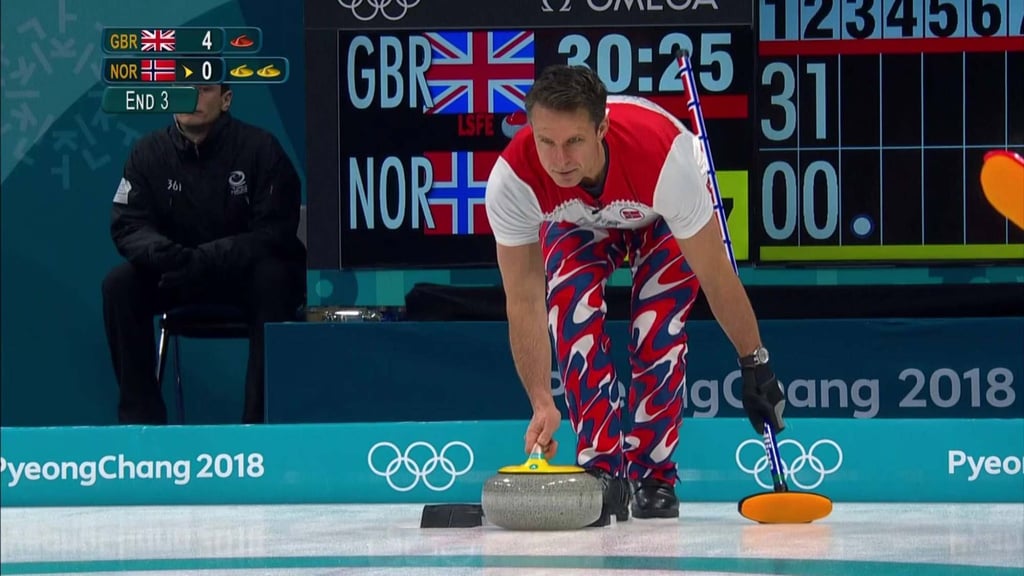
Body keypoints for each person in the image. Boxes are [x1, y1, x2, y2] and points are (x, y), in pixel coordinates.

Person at [485, 65, 786, 525]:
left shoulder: (667, 158)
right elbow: (524, 300)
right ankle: (602, 471)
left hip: (659, 220)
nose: (559, 158)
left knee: (656, 330)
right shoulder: (513, 181)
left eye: (574, 142)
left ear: (601, 129)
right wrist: (540, 402)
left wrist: (754, 361)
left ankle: (654, 475)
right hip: (577, 222)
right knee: (569, 310)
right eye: (546, 141)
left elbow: (716, 274)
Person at [102, 83, 306, 425]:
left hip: (245, 276)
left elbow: (274, 232)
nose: (190, 97)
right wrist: (168, 256)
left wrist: (205, 258)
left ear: (226, 99)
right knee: (119, 286)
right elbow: (128, 225)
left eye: (202, 88)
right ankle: (141, 425)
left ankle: (260, 426)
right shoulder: (148, 153)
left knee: (276, 277)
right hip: (177, 272)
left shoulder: (261, 149)